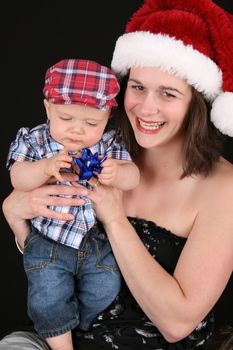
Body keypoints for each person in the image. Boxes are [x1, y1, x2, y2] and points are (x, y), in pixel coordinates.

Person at [1, 0, 233, 349]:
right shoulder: (98, 148)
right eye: (137, 87)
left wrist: (114, 219)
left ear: (196, 104)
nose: (146, 107)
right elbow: (52, 260)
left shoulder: (224, 187)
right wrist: (15, 215)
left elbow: (177, 323)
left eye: (167, 93)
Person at [5, 58, 140, 350]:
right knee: (47, 297)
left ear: (106, 117)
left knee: (106, 286)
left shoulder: (109, 144)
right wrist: (43, 168)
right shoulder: (35, 141)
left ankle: (78, 326)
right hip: (48, 239)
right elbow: (18, 178)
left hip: (94, 240)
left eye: (91, 122)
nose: (77, 130)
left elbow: (133, 178)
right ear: (48, 109)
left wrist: (119, 171)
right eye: (66, 118)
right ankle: (62, 343)